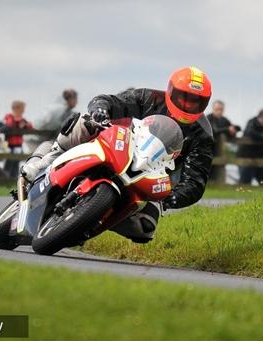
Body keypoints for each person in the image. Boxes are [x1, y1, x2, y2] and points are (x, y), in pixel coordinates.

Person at [19, 66, 214, 244]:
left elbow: (195, 181)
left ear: (205, 103)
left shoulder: (202, 135)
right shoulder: (149, 98)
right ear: (171, 91)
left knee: (145, 228)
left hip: (151, 173)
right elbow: (110, 100)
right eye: (184, 97)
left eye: (197, 101)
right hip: (119, 144)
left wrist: (173, 198)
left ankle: (88, 223)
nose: (189, 104)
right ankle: (47, 160)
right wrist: (100, 110)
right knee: (84, 122)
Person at [238, 108, 263, 186]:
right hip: (248, 157)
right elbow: (249, 132)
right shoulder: (253, 122)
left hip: (261, 157)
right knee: (245, 183)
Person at [205, 100, 240, 184]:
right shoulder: (209, 118)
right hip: (207, 148)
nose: (219, 111)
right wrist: (227, 129)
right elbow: (214, 130)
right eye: (217, 109)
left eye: (221, 109)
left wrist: (233, 130)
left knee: (217, 170)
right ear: (213, 109)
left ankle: (216, 185)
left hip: (219, 150)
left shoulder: (224, 120)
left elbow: (235, 129)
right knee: (207, 169)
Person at [3, 100, 34, 178]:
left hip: (18, 145)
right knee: (10, 163)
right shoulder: (9, 117)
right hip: (10, 145)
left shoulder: (22, 120)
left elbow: (30, 127)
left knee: (16, 163)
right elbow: (9, 125)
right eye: (22, 108)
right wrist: (18, 122)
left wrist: (25, 124)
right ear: (17, 108)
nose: (23, 110)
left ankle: (12, 178)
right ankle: (6, 178)